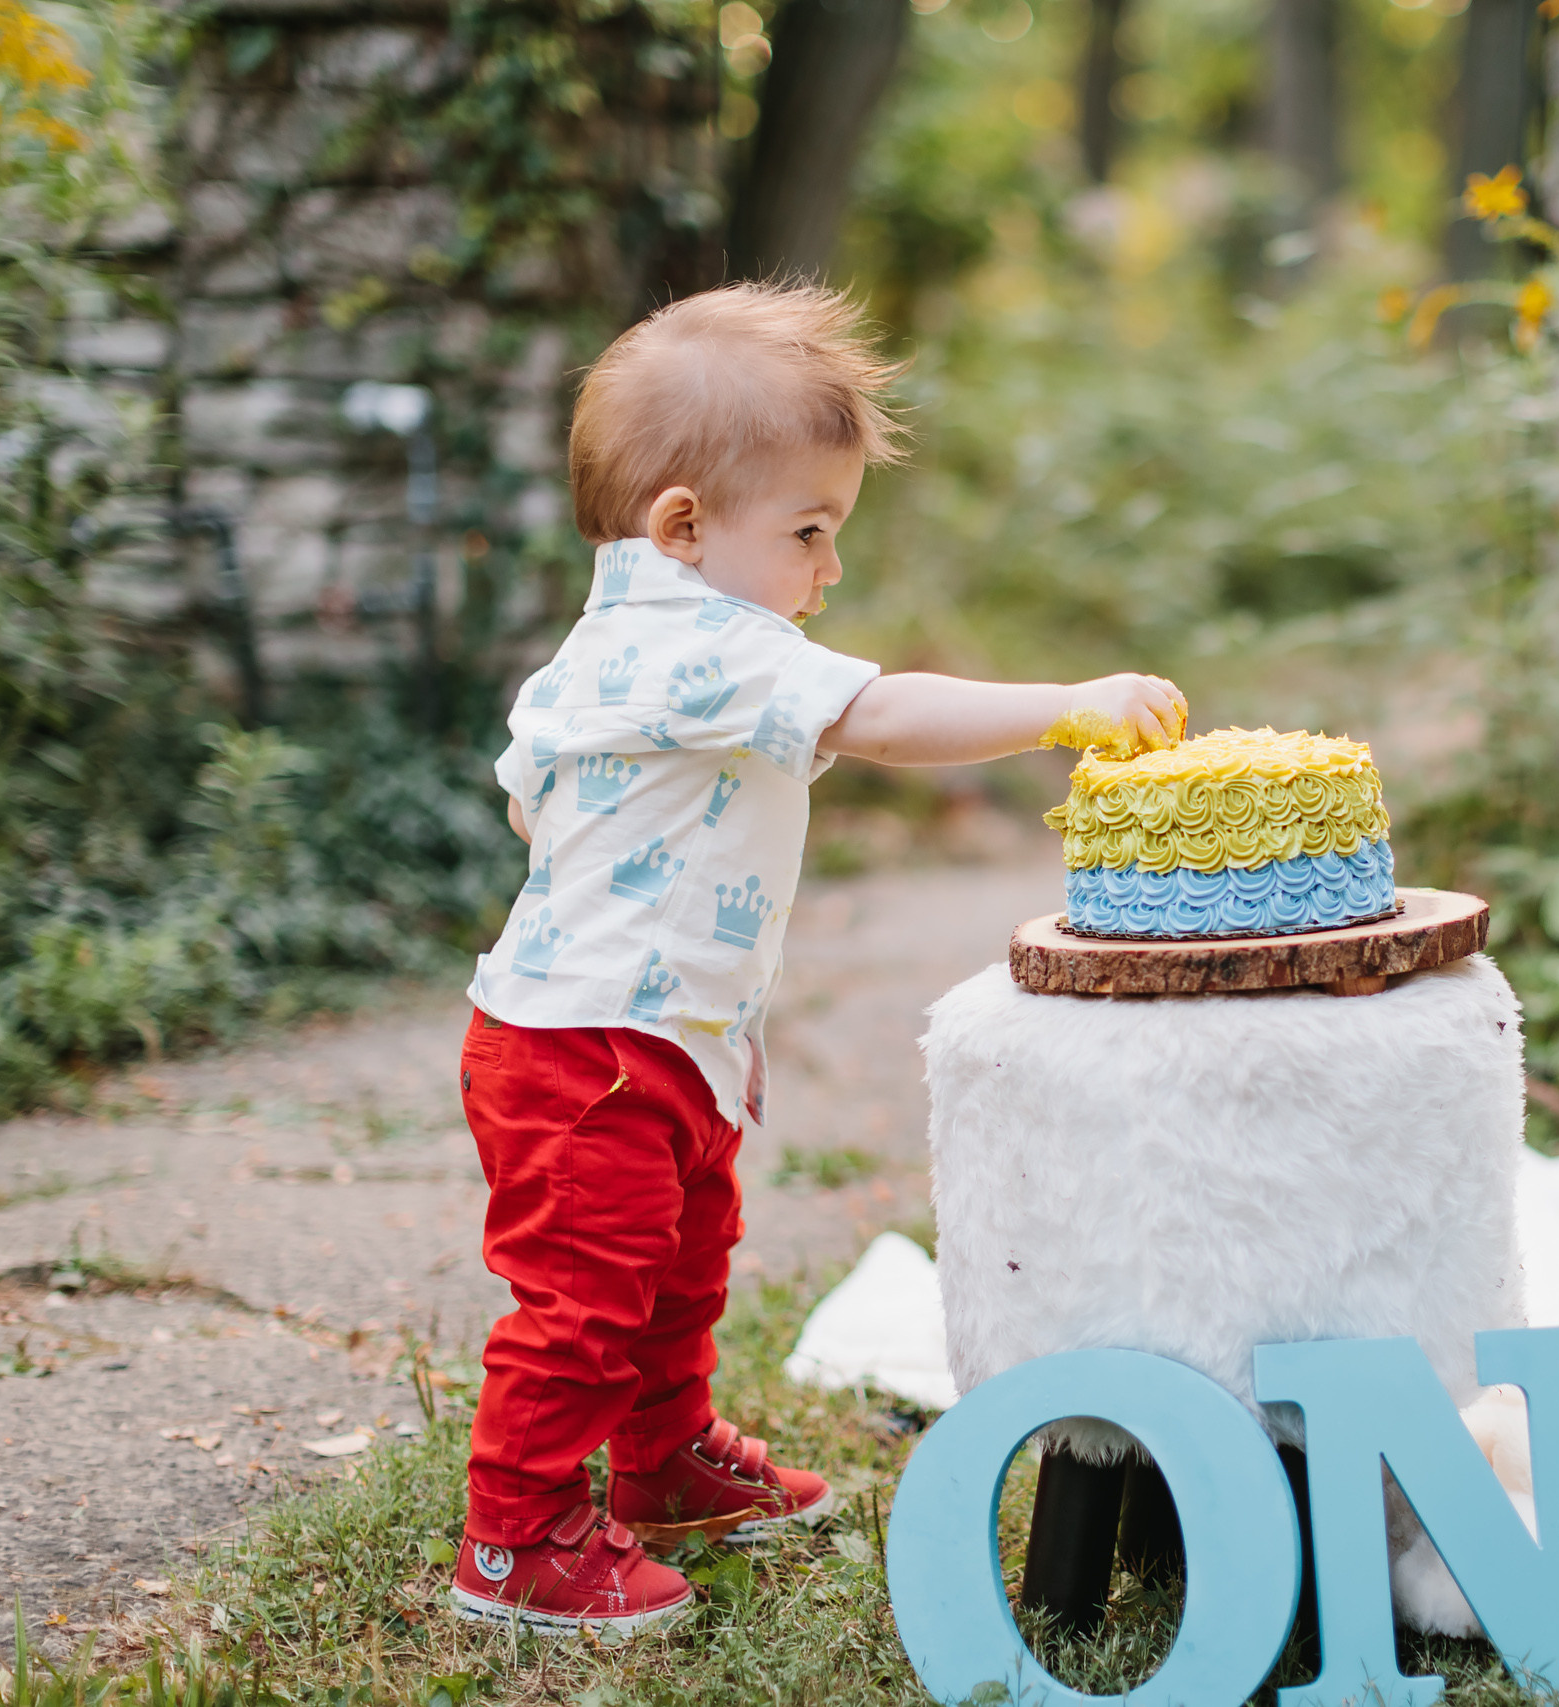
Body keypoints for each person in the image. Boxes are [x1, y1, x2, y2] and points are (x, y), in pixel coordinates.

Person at [450, 282, 1187, 1634]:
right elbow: (888, 711)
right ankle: (517, 1537)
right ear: (685, 527)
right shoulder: (709, 641)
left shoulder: (610, 643)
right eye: (808, 532)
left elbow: (525, 790)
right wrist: (1065, 709)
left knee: (680, 1263)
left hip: (648, 1034)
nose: (827, 569)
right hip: (594, 1051)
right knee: (586, 1297)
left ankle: (664, 1462)